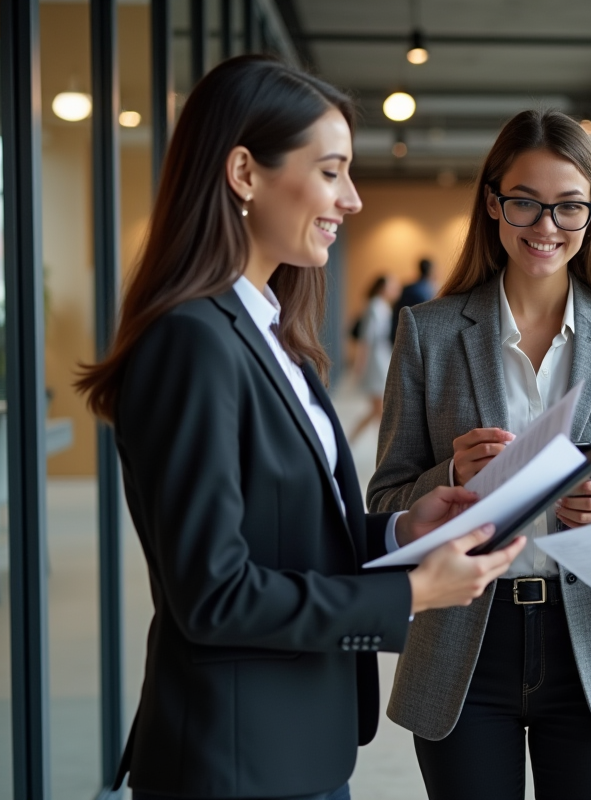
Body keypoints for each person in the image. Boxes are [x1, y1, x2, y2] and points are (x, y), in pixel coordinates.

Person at [75, 55, 524, 800]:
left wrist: (399, 534)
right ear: (244, 173)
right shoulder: (193, 341)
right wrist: (409, 595)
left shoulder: (276, 338)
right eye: (331, 171)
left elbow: (287, 533)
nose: (351, 199)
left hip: (293, 748)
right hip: (235, 760)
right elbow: (213, 595)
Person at [367, 109, 591, 800]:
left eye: (569, 206)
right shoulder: (429, 333)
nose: (546, 226)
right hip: (463, 640)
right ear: (492, 203)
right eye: (525, 202)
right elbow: (386, 499)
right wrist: (450, 475)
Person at [350, 274, 399, 440]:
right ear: (382, 287)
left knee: (378, 408)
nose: (394, 289)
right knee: (379, 407)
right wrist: (360, 364)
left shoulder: (383, 306)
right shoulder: (373, 306)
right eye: (391, 285)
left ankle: (354, 439)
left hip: (382, 357)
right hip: (375, 360)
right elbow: (366, 339)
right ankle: (384, 443)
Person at [390, 257, 436, 343]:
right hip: (414, 338)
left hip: (399, 331)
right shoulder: (427, 292)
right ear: (431, 270)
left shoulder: (407, 287)